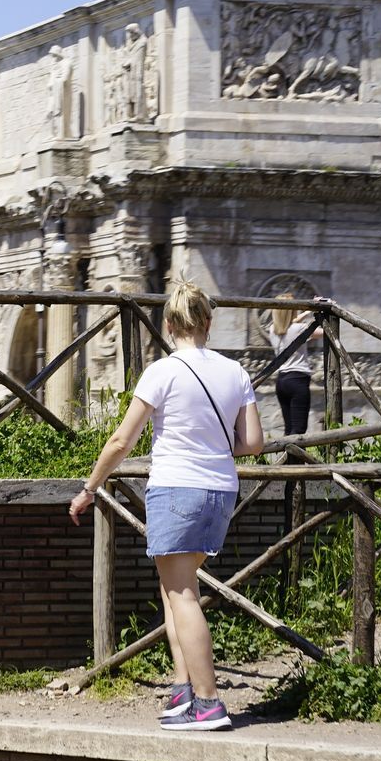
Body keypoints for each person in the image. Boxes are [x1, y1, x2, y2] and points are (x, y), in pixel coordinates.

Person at [70, 280, 263, 731]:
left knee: (182, 594)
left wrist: (91, 486)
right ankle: (184, 688)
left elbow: (122, 440)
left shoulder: (162, 371)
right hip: (220, 490)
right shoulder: (235, 372)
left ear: (170, 324)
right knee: (175, 586)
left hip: (177, 488)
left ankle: (210, 704)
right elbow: (253, 442)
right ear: (208, 323)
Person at [267, 298, 321, 460]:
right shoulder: (299, 329)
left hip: (282, 381)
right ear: (291, 311)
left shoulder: (272, 330)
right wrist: (316, 310)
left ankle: (288, 471)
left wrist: (306, 312)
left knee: (289, 429)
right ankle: (293, 472)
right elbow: (324, 332)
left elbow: (288, 323)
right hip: (298, 381)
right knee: (298, 432)